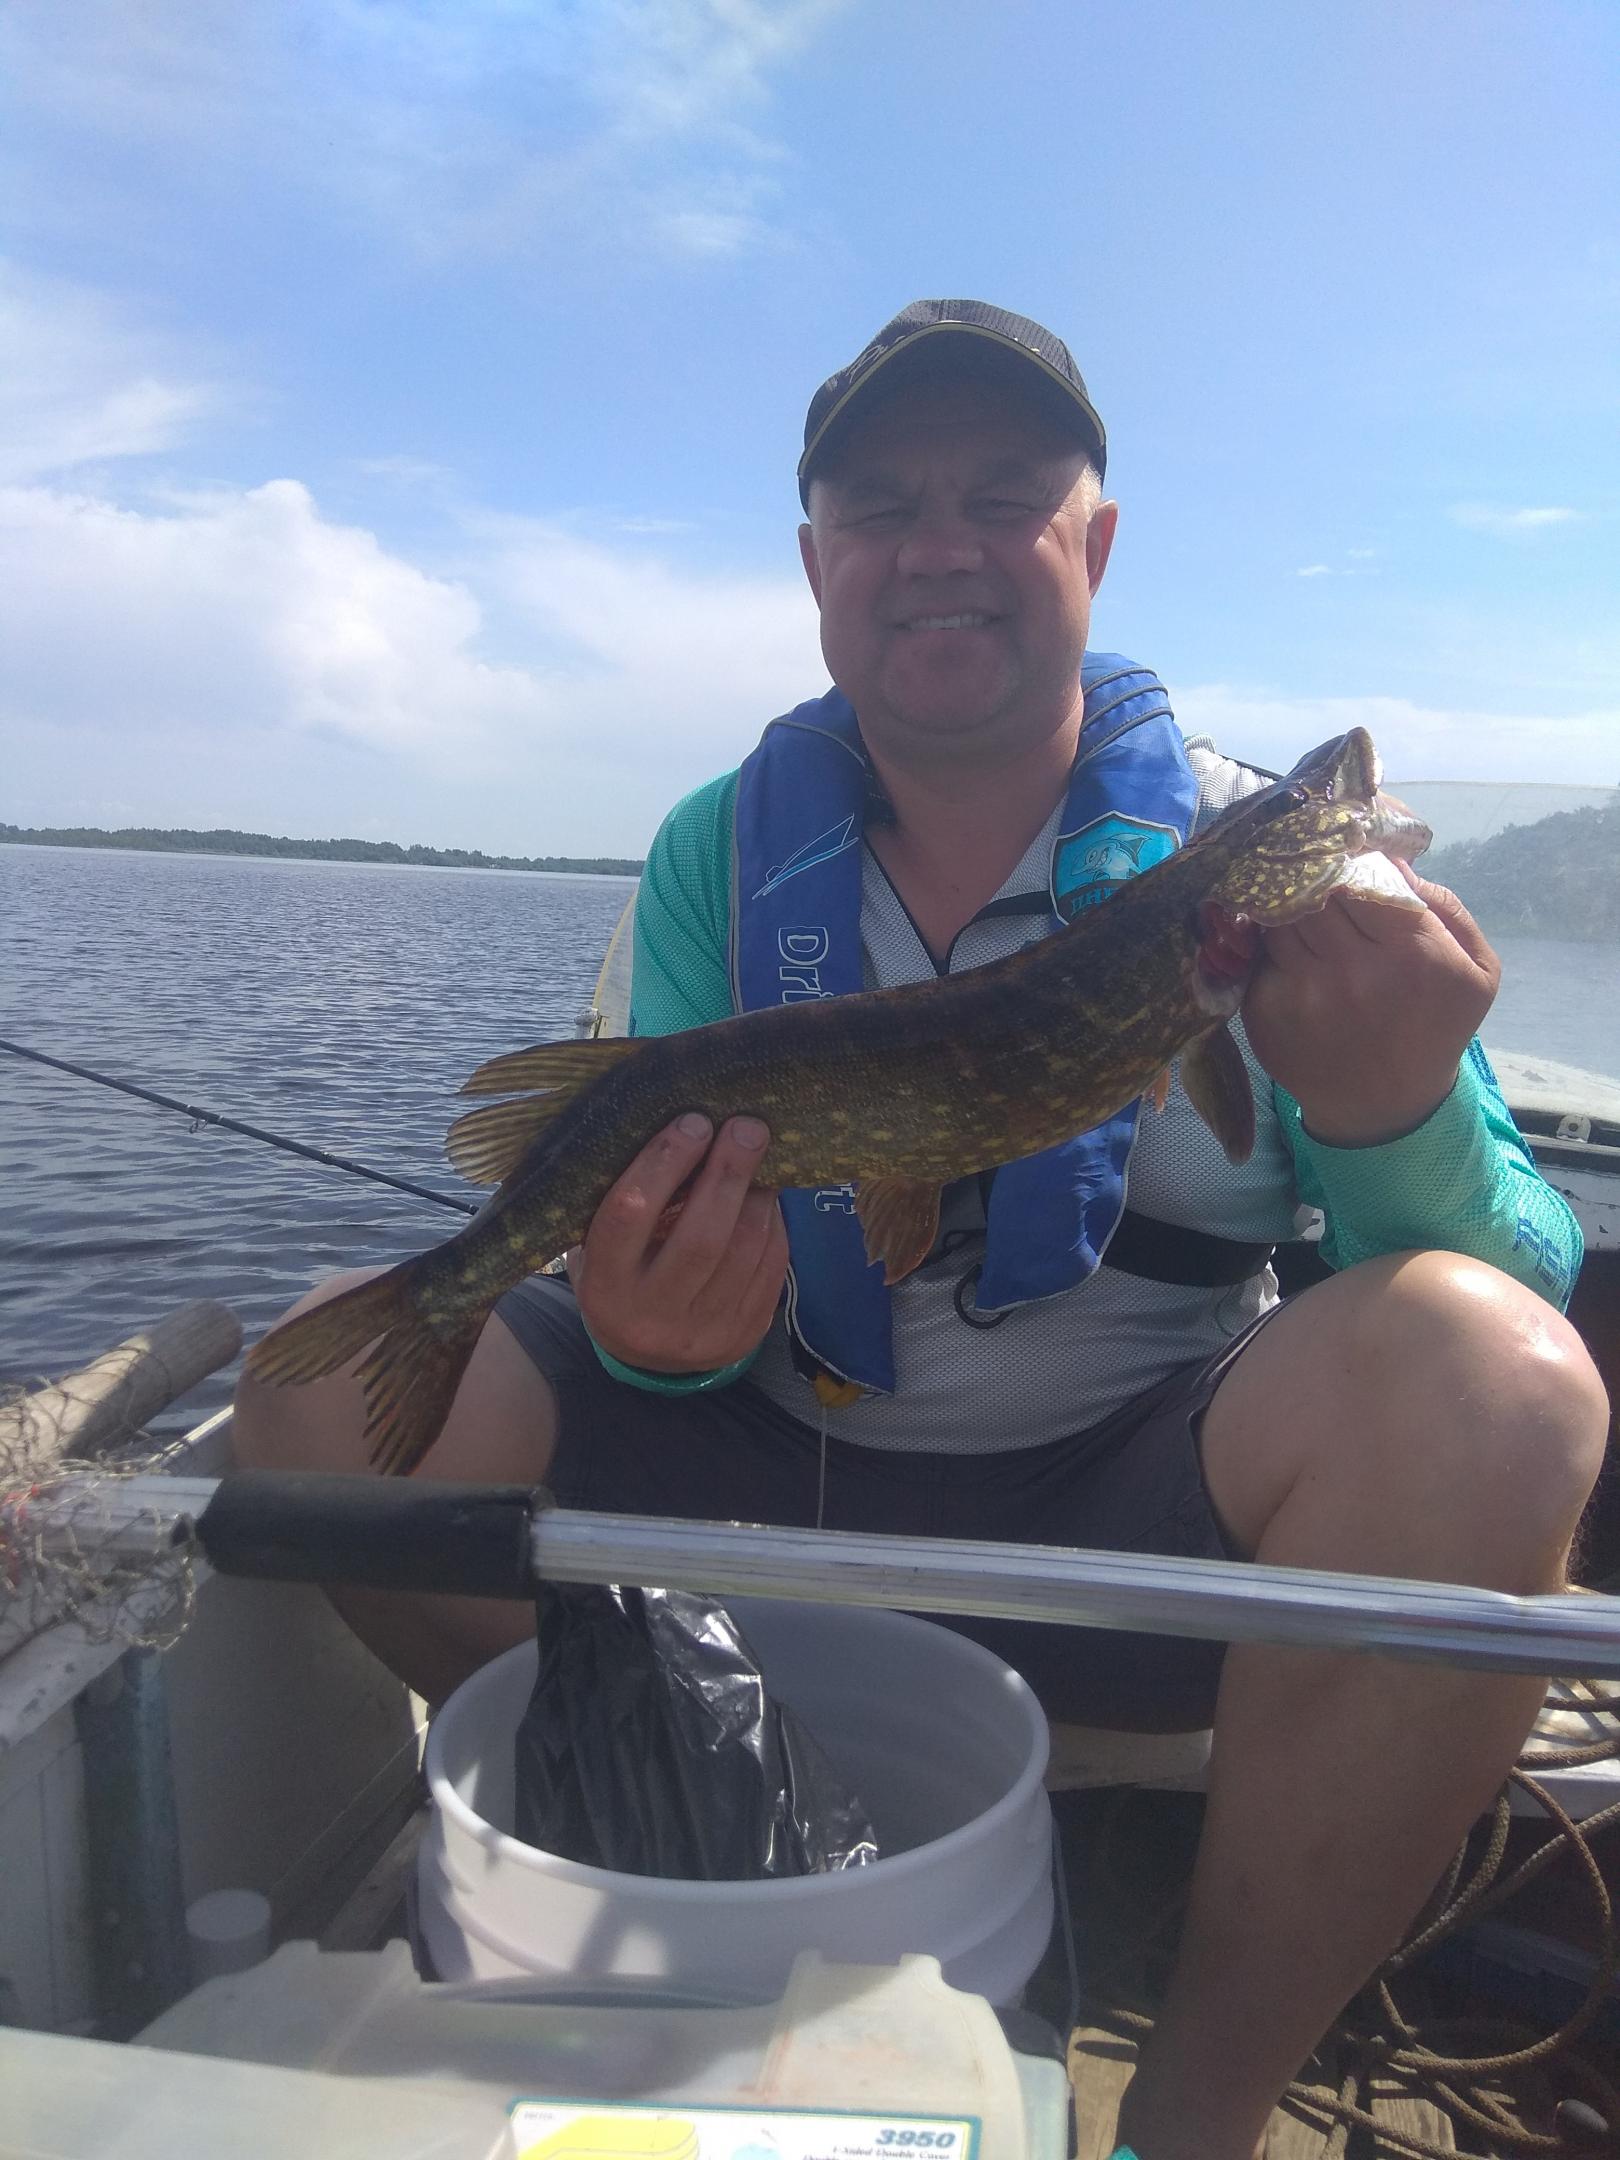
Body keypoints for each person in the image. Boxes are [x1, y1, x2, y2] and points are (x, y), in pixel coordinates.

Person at [234, 299, 1610, 2160]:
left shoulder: (1248, 869)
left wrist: (1391, 1111)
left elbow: (1514, 1277)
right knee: (314, 1396)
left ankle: (1190, 2117)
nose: (939, 547)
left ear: (1093, 543)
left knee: (1501, 1382)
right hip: (754, 1515)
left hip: (1133, 1531)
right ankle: (719, 1817)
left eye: (1002, 496)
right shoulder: (724, 849)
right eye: (882, 507)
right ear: (818, 566)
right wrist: (658, 1343)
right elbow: (627, 1213)